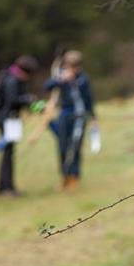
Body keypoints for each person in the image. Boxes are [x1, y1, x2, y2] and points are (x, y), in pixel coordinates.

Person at [44, 50, 97, 190]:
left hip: (79, 117)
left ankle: (75, 177)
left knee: (75, 147)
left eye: (74, 66)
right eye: (68, 65)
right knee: (62, 146)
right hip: (65, 114)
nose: (71, 68)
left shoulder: (83, 79)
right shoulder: (61, 75)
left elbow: (89, 99)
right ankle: (65, 177)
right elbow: (47, 86)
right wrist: (60, 80)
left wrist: (93, 117)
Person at [0, 55, 39, 196]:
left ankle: (5, 187)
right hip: (7, 120)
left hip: (8, 119)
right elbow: (12, 101)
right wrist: (28, 99)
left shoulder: (10, 76)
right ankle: (7, 188)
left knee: (8, 152)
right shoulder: (12, 80)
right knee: (8, 153)